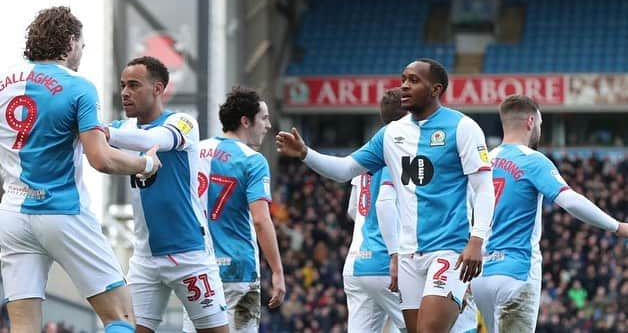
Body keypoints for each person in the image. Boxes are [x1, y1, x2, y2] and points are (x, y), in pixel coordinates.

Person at [276, 58, 495, 333]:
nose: (404, 85)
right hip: (408, 256)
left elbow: (484, 187)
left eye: (414, 80)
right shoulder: (391, 134)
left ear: (436, 89)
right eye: (403, 78)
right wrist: (306, 154)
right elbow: (345, 169)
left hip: (449, 250)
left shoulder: (463, 127)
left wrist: (477, 240)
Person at [0, 6, 161, 332]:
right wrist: (145, 163)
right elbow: (101, 159)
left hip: (11, 216)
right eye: (82, 44)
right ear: (69, 41)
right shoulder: (78, 86)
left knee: (23, 326)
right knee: (120, 316)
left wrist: (11, 204)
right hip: (63, 212)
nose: (82, 51)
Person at [470, 95, 628, 333]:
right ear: (531, 122)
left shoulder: (484, 161)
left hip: (481, 276)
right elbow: (570, 201)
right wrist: (618, 226)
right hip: (516, 270)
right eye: (541, 126)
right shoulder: (533, 160)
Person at [104, 56, 228, 333]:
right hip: (144, 258)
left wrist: (103, 133)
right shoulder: (122, 128)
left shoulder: (183, 123)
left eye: (134, 85)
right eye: (123, 85)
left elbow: (151, 140)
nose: (125, 92)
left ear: (158, 89)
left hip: (189, 255)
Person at [183, 86, 285, 333]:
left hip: (194, 267)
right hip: (236, 270)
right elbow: (261, 220)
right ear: (245, 121)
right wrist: (278, 271)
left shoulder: (193, 152)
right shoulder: (252, 160)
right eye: (264, 118)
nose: (268, 125)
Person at [343, 88, 407, 333]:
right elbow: (386, 204)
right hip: (387, 258)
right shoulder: (398, 152)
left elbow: (352, 210)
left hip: (356, 260)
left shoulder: (366, 157)